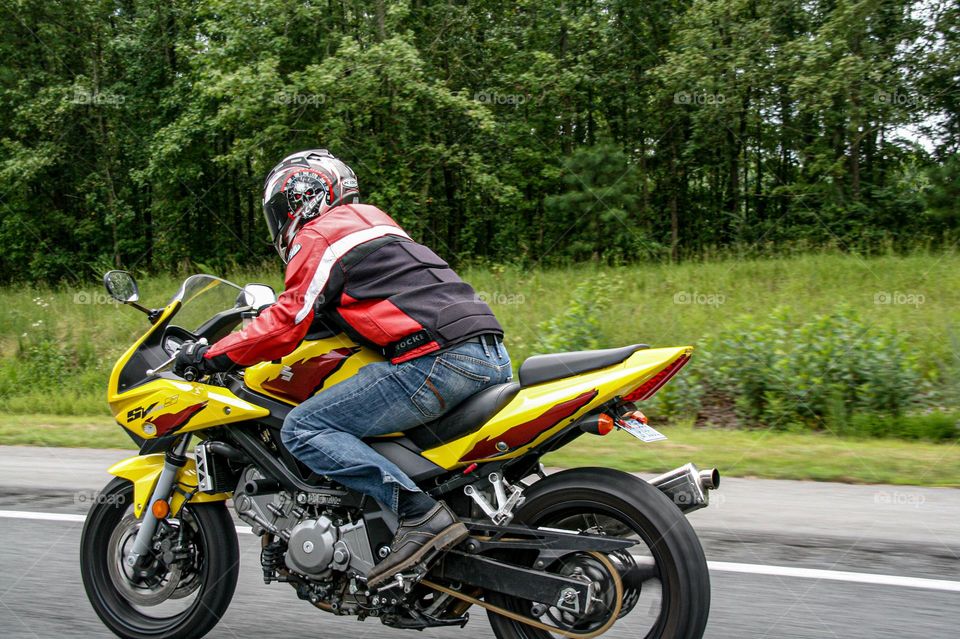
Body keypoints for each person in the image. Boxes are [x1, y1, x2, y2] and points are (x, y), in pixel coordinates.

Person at [173, 149, 511, 587]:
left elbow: (288, 320)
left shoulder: (320, 235)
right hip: (489, 355)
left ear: (300, 201)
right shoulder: (374, 221)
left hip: (437, 362)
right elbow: (368, 299)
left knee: (303, 428)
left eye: (278, 211)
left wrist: (211, 355)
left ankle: (419, 515)